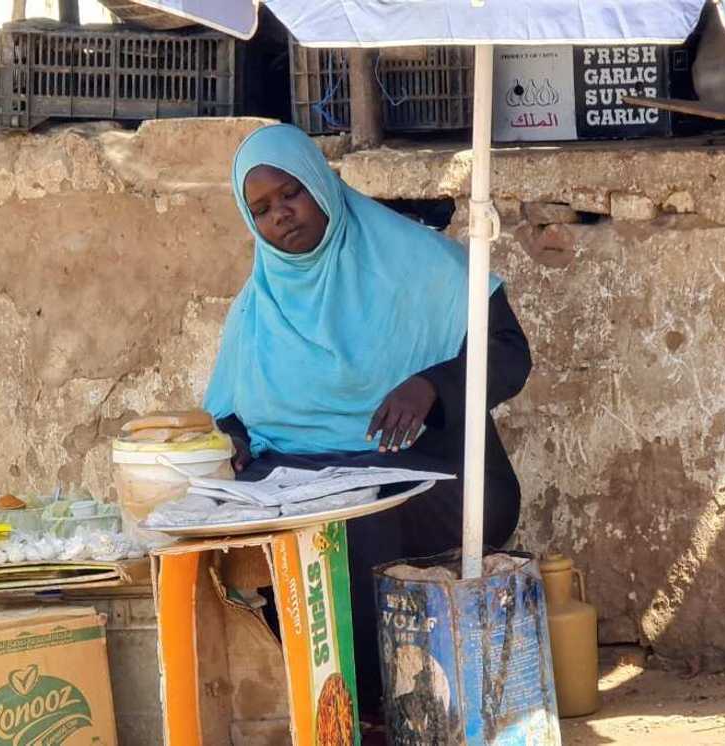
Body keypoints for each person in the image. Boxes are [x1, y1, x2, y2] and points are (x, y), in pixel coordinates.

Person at [204, 123, 532, 718]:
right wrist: (232, 442)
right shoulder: (260, 301)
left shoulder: (415, 260)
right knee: (248, 523)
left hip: (416, 462)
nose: (281, 215)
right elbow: (230, 411)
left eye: (290, 194)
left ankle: (382, 706)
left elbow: (509, 353)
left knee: (360, 526)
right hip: (298, 470)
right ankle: (320, 705)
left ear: (321, 185)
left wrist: (433, 384)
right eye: (262, 209)